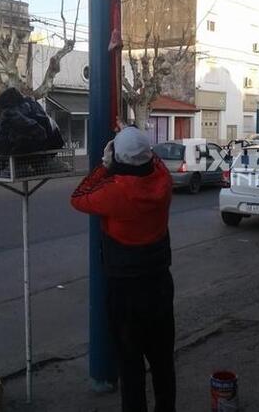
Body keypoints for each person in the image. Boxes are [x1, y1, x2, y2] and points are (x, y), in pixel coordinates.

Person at [71, 126, 176, 412]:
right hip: (159, 284)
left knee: (130, 366)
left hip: (125, 292)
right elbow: (153, 160)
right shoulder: (163, 182)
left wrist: (103, 167)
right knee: (163, 361)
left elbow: (78, 197)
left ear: (117, 158)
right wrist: (129, 142)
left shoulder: (114, 192)